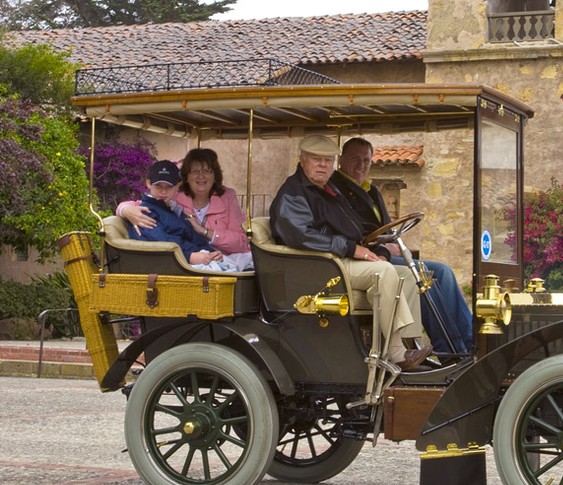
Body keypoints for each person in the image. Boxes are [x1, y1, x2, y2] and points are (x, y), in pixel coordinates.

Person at [269, 135, 433, 371]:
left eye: (328, 160)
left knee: (405, 275)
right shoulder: (294, 193)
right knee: (384, 274)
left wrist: (378, 251)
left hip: (337, 260)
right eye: (317, 159)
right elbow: (301, 237)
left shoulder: (329, 191)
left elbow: (357, 229)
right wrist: (351, 249)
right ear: (302, 160)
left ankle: (410, 345)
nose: (324, 165)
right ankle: (397, 354)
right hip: (317, 266)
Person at [332, 137, 475, 355]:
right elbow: (352, 233)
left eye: (366, 160)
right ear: (341, 159)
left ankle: (469, 342)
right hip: (366, 257)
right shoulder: (337, 190)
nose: (361, 165)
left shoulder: (371, 191)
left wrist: (395, 241)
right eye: (354, 159)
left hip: (384, 251)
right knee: (423, 274)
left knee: (443, 271)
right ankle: (449, 350)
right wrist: (385, 247)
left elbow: (387, 226)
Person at [118, 148, 250, 256]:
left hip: (223, 257)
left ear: (215, 175)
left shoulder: (227, 196)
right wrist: (125, 210)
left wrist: (205, 232)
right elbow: (145, 204)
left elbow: (242, 241)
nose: (201, 176)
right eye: (195, 171)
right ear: (186, 177)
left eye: (207, 171)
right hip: (188, 259)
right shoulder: (173, 193)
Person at [127, 160, 224, 266]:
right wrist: (189, 256)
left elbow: (194, 237)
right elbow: (161, 243)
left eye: (168, 186)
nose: (163, 191)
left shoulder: (174, 209)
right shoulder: (144, 212)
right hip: (173, 265)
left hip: (192, 259)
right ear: (149, 184)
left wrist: (211, 252)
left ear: (177, 186)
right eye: (158, 186)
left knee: (240, 261)